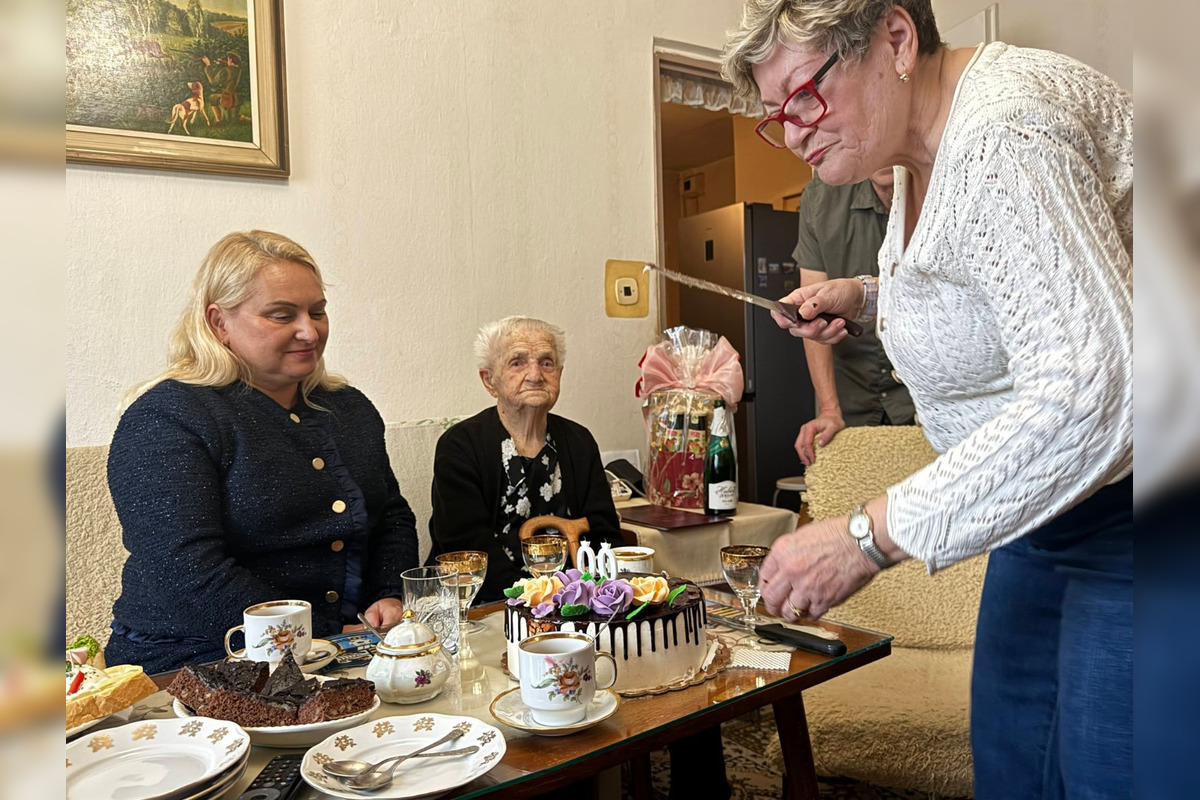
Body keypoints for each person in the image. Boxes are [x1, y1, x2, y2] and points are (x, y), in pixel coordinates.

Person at [722, 2, 1131, 798]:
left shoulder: (1006, 134)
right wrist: (870, 298)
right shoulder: (917, 154)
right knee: (1014, 767)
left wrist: (867, 536)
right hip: (1041, 521)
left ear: (897, 40)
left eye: (803, 95)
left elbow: (1094, 387)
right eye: (777, 115)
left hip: (1133, 516)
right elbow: (996, 281)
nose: (794, 130)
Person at [105, 231, 419, 674]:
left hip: (341, 648)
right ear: (219, 323)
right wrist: (321, 634)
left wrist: (388, 591)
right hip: (197, 657)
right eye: (281, 315)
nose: (309, 331)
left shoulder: (349, 408)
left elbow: (391, 516)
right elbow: (184, 569)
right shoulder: (167, 417)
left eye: (317, 312)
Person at [428, 316, 624, 604]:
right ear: (489, 380)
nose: (535, 375)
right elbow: (467, 546)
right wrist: (536, 601)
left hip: (573, 604)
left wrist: (588, 598)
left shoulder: (579, 441)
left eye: (547, 363)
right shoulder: (460, 445)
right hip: (482, 603)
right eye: (517, 362)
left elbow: (604, 535)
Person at [792, 167, 914, 465]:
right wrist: (830, 409)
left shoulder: (949, 185)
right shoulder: (821, 198)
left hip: (930, 400)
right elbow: (812, 316)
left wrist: (860, 294)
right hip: (852, 403)